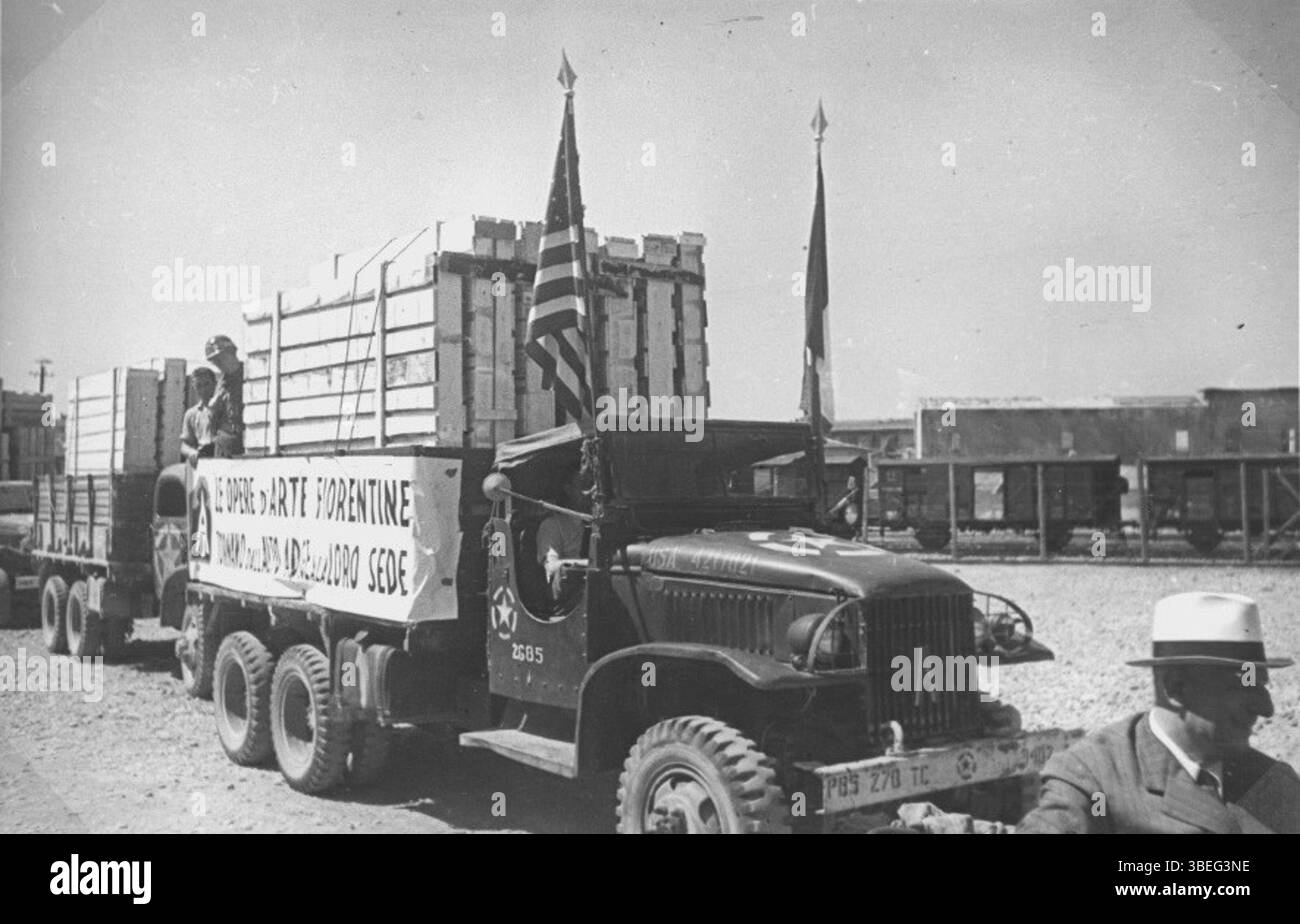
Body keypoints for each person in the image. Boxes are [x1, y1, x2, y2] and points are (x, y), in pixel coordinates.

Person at [1017, 592, 1299, 834]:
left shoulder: (1275, 783)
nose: (1266, 708)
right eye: (1243, 685)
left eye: (1260, 685)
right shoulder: (1094, 779)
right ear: (1175, 687)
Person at [536, 465, 589, 601]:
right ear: (568, 489)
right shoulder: (553, 526)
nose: (592, 492)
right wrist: (589, 564)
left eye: (596, 486)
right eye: (585, 485)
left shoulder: (603, 524)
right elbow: (552, 567)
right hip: (570, 599)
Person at [205, 334, 244, 457]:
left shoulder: (250, 375)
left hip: (245, 441)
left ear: (232, 352)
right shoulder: (222, 383)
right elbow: (213, 419)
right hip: (225, 442)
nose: (218, 364)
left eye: (220, 358)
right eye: (214, 361)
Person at [180, 367, 216, 466]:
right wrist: (191, 452)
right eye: (198, 385)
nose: (203, 389)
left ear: (215, 384)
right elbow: (184, 445)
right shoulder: (191, 414)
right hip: (202, 461)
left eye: (207, 384)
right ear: (194, 387)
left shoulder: (223, 408)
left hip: (221, 459)